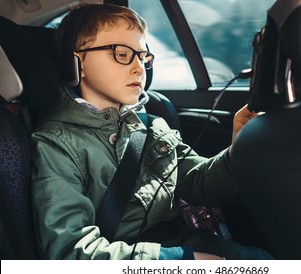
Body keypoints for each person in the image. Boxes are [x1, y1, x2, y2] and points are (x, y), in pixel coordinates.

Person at [30, 3, 272, 260]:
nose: (138, 68)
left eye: (143, 57)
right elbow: (72, 252)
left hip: (184, 243)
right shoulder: (57, 145)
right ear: (76, 62)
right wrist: (180, 261)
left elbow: (197, 183)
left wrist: (238, 150)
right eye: (122, 54)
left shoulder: (151, 125)